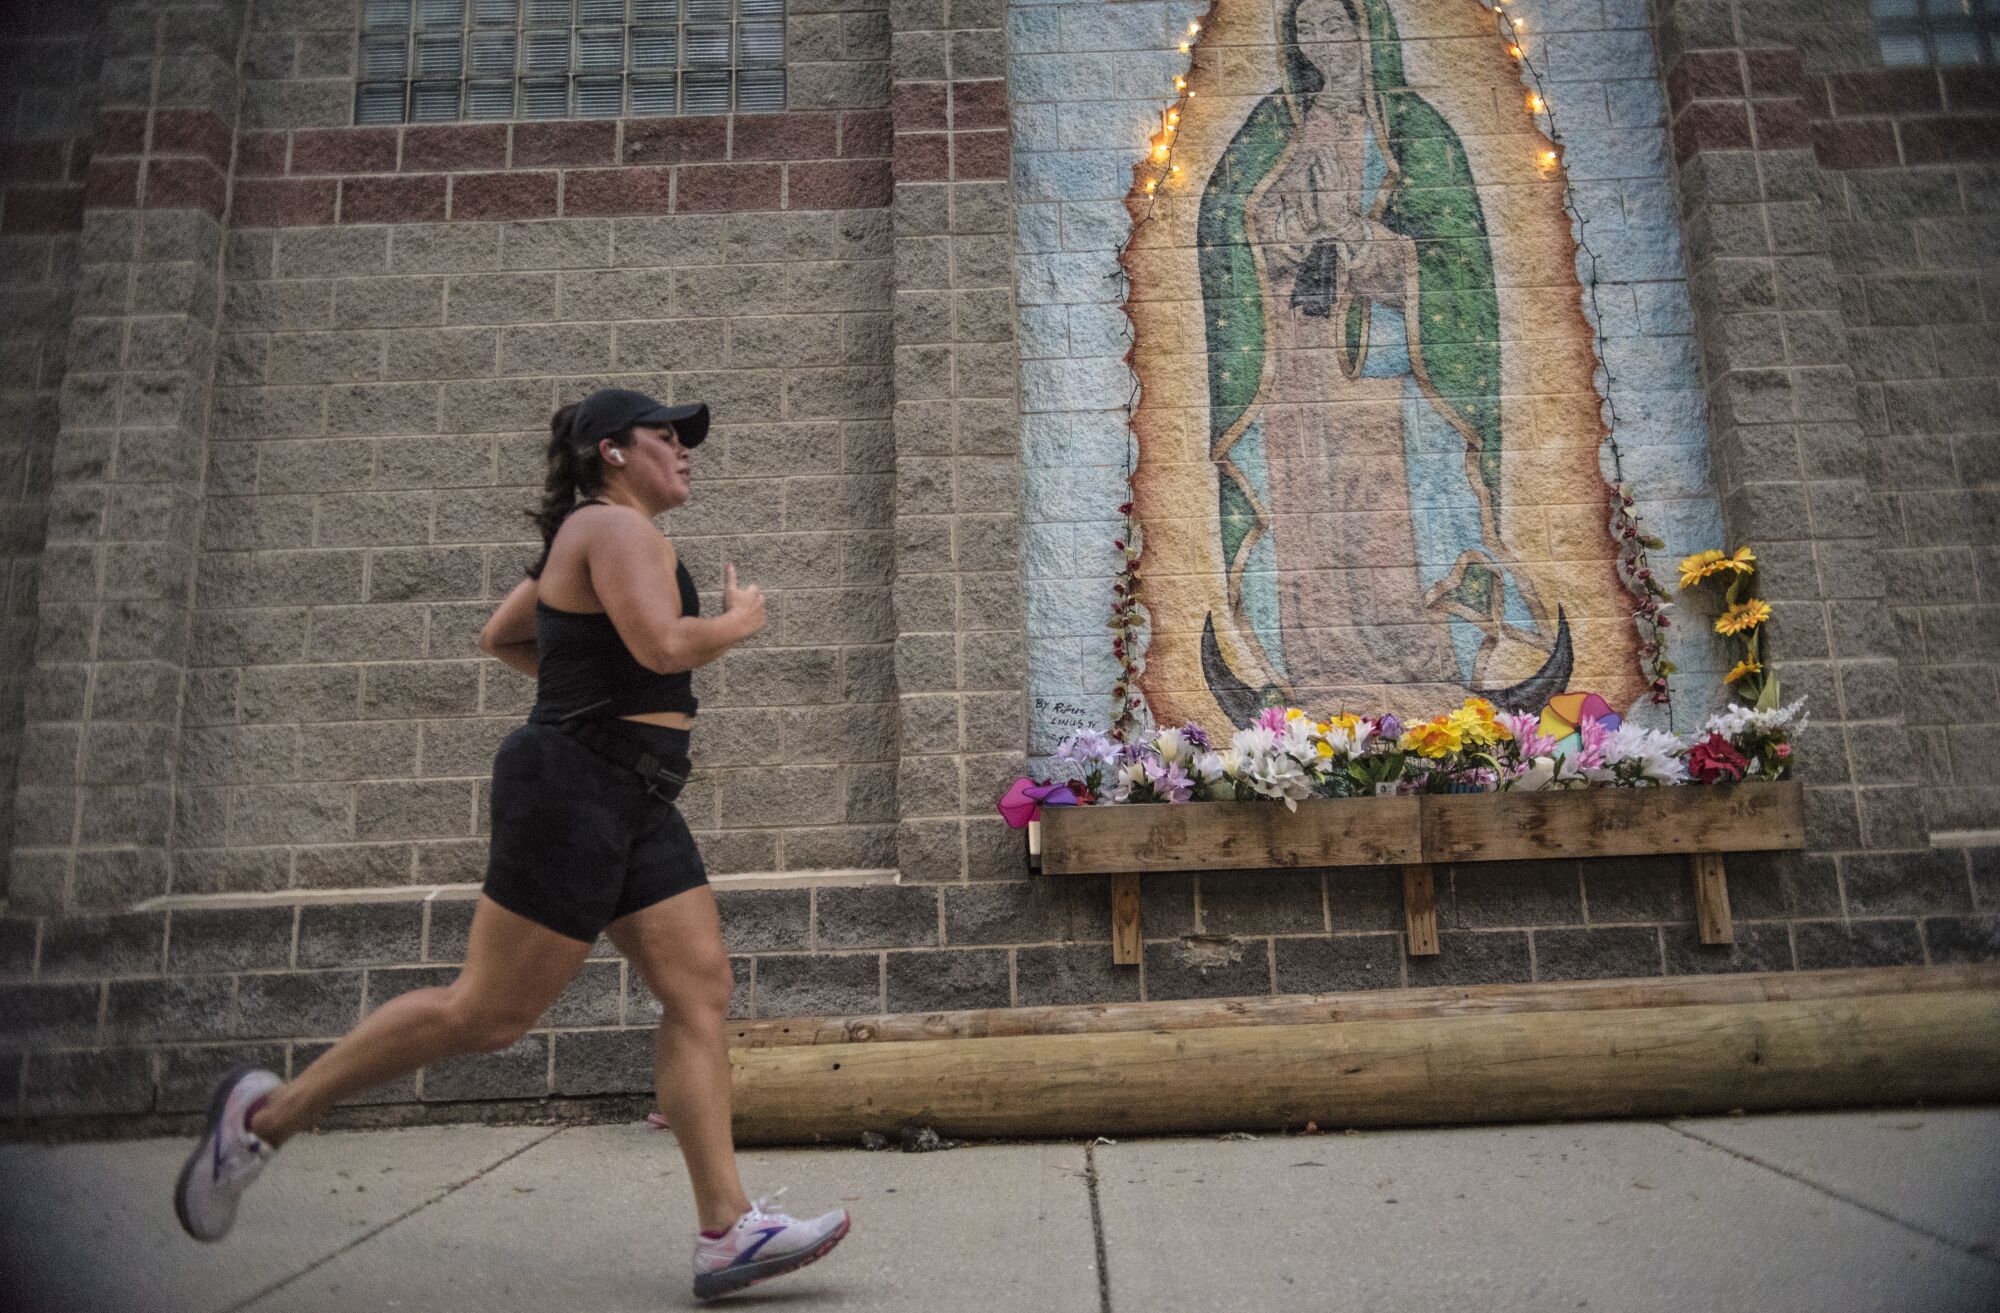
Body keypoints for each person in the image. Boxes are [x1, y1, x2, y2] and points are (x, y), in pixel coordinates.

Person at [173, 388, 850, 1301]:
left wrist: (585, 688)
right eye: (667, 437)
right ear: (613, 450)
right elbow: (659, 646)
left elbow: (505, 635)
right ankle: (262, 1117)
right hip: (575, 787)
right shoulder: (614, 530)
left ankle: (728, 1231)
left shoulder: (597, 535)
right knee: (488, 1013)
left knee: (699, 988)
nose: (686, 452)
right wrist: (735, 624)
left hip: (635, 790)